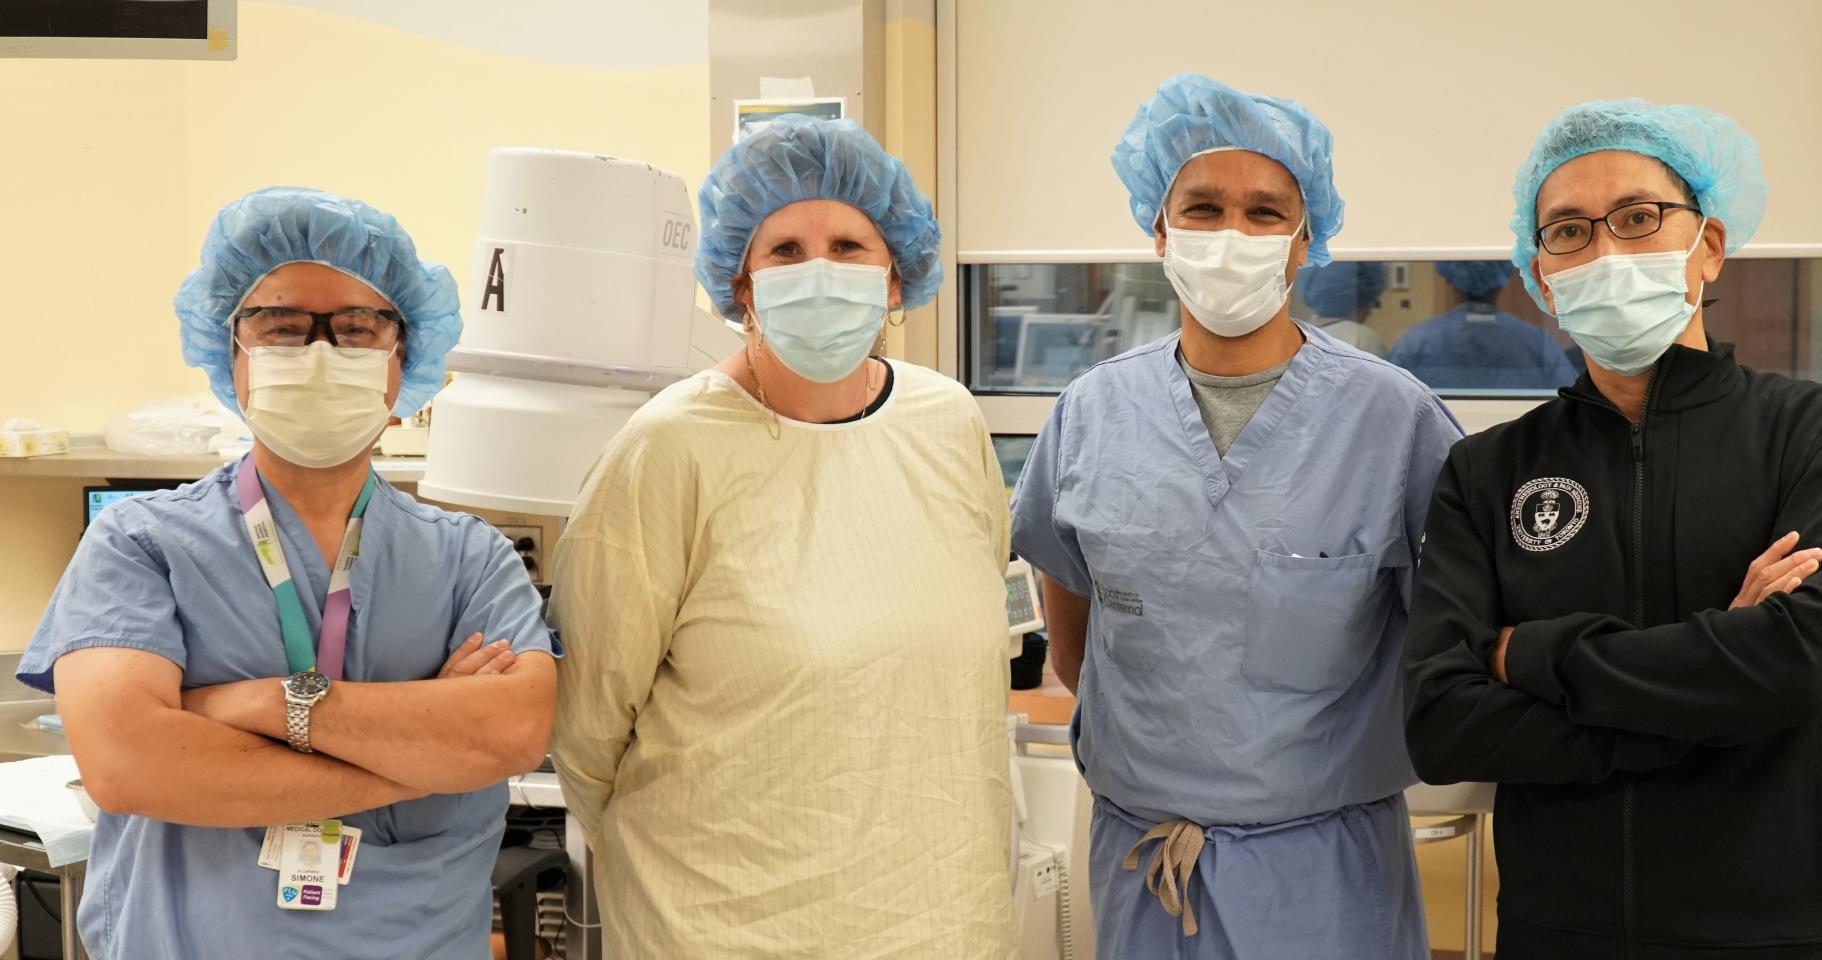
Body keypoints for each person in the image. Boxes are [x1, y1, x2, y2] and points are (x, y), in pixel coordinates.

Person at [1403, 100, 1822, 959]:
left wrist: (1532, 657)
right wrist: (1713, 694)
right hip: (1561, 931)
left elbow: (1802, 665)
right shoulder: (1488, 472)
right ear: (1542, 276)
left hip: (1777, 933)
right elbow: (1444, 724)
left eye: (1638, 219)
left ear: (1707, 246)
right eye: (1568, 232)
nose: (1605, 252)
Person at [20, 187, 560, 959]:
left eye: (356, 329)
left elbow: (510, 731)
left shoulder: (470, 556)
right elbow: (128, 763)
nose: (317, 353)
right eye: (280, 326)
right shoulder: (141, 544)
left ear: (403, 363)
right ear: (230, 359)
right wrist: (423, 758)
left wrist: (265, 703)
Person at [1011, 73, 1460, 959]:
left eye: (1264, 214)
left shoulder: (1392, 420)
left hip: (1328, 871)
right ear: (1159, 229)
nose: (1231, 237)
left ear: (1305, 244)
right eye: (1204, 208)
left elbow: (1445, 636)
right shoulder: (1092, 414)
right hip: (1145, 864)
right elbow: (1075, 642)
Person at [547, 115, 1015, 958]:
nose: (821, 273)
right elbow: (587, 730)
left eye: (849, 245)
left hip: (941, 916)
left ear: (897, 277)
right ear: (742, 283)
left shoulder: (947, 423)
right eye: (786, 252)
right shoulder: (669, 450)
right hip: (723, 924)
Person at [1386, 260, 1577, 390]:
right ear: (1505, 279)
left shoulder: (1415, 341)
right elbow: (1568, 401)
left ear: (1447, 278)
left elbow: (1391, 400)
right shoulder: (1538, 342)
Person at [1295, 260, 1389, 356]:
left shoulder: (1299, 336)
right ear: (1361, 298)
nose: (1370, 312)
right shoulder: (1363, 339)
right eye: (1372, 303)